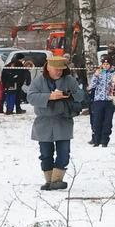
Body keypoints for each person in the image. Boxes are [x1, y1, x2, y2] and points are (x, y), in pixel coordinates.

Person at [30, 52, 79, 191]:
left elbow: (81, 96)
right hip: (43, 122)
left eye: (61, 69)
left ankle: (57, 180)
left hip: (63, 121)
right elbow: (31, 97)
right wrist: (50, 96)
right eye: (56, 69)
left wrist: (69, 94)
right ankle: (49, 180)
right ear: (48, 68)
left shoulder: (69, 79)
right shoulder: (39, 80)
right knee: (45, 154)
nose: (59, 72)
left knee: (64, 153)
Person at [86, 59, 115, 147]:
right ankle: (96, 140)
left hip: (109, 101)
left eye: (107, 64)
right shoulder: (98, 73)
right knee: (97, 120)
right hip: (98, 100)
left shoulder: (114, 74)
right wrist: (95, 75)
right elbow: (92, 85)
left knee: (107, 122)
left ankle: (105, 140)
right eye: (104, 64)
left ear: (110, 65)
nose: (105, 66)